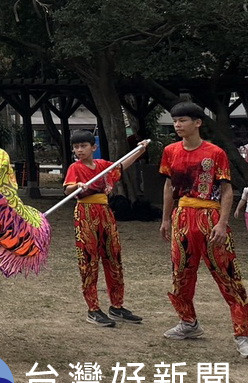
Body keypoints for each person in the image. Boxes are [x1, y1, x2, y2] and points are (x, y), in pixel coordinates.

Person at [159, 102, 248, 357]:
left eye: (183, 120)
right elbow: (168, 188)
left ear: (198, 123)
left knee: (228, 275)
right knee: (181, 274)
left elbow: (227, 189)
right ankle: (188, 323)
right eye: (175, 120)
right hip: (182, 219)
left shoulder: (215, 153)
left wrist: (222, 222)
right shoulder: (170, 151)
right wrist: (166, 219)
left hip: (210, 217)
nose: (177, 124)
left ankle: (243, 333)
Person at [63, 129, 142, 327]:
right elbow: (67, 189)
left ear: (93, 147)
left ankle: (117, 305)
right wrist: (77, 186)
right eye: (76, 147)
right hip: (85, 213)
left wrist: (140, 150)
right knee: (89, 260)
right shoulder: (75, 167)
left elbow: (121, 166)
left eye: (83, 146)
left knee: (113, 258)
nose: (79, 150)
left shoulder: (103, 166)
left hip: (105, 213)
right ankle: (93, 309)